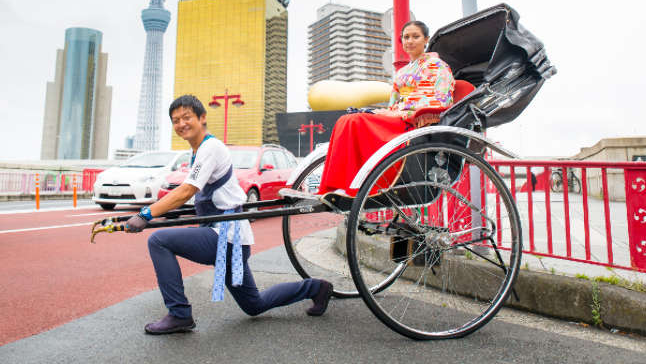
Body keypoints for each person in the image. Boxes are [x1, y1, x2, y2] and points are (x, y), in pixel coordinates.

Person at [125, 95, 333, 335]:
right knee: (254, 305)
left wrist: (146, 214)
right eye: (175, 120)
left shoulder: (210, 148)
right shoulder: (199, 152)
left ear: (202, 118)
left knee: (158, 241)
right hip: (230, 238)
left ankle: (179, 314)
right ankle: (316, 288)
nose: (181, 124)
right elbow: (197, 197)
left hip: (227, 237)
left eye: (186, 117)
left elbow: (186, 191)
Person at [317, 20, 455, 197]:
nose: (410, 41)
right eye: (406, 37)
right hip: (397, 117)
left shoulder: (438, 66)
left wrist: (407, 113)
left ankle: (356, 186)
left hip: (416, 121)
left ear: (426, 39)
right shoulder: (402, 72)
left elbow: (441, 100)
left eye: (416, 36)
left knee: (354, 121)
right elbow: (393, 102)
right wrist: (387, 112)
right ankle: (339, 185)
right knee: (346, 120)